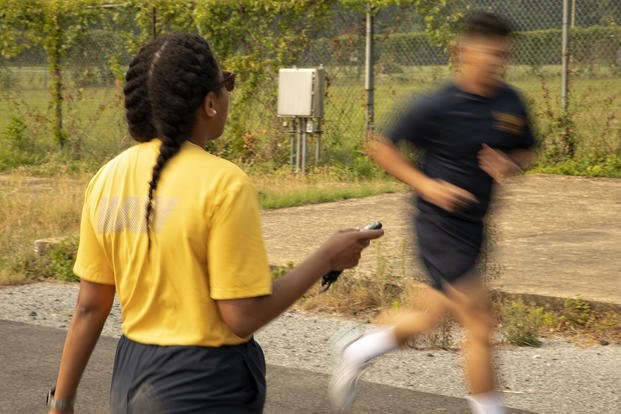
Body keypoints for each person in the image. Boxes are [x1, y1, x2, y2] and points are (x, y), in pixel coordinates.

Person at [47, 33, 383, 414]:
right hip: (204, 384)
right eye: (225, 87)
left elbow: (90, 307)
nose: (226, 97)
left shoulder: (106, 179)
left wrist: (61, 401)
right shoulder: (223, 182)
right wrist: (325, 257)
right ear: (209, 103)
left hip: (130, 379)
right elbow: (242, 317)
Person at [329, 12, 537, 414]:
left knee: (427, 319)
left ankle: (357, 349)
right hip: (439, 227)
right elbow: (381, 147)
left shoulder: (510, 102)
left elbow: (526, 148)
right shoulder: (436, 105)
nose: (497, 63)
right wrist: (427, 185)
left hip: (475, 227)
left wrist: (512, 164)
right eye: (490, 54)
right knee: (480, 324)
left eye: (503, 56)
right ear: (463, 52)